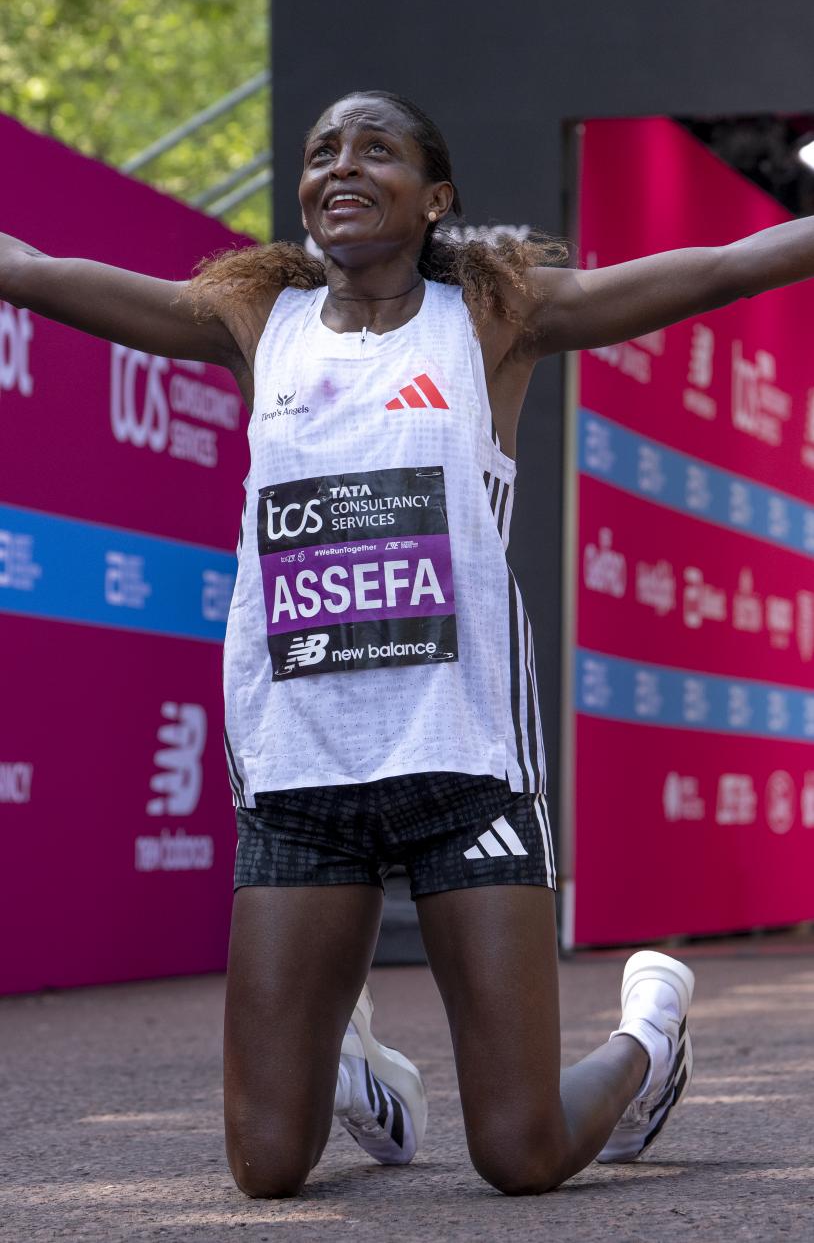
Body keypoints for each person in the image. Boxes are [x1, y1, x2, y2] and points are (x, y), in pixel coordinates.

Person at [4, 88, 812, 1197]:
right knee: (265, 1167)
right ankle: (363, 1072)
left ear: (434, 199)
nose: (341, 165)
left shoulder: (492, 318)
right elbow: (40, 272)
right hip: (300, 777)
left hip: (464, 771)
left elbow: (719, 268)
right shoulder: (257, 323)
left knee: (519, 1154)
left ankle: (650, 1036)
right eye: (322, 150)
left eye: (375, 150)